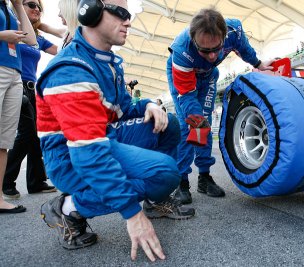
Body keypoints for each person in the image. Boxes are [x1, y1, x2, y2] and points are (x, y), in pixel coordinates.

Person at [37, 0, 194, 261]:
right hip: (72, 157)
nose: (129, 21)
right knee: (166, 172)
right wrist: (132, 214)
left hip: (102, 138)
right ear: (90, 10)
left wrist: (149, 105)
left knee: (170, 123)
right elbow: (89, 155)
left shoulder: (105, 61)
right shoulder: (70, 71)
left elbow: (123, 106)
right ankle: (69, 207)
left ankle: (154, 200)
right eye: (121, 13)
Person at [166, 8, 274, 205]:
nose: (213, 56)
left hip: (207, 78)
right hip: (184, 81)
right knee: (189, 126)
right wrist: (196, 119)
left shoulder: (234, 31)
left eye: (217, 48)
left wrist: (258, 63)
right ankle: (181, 182)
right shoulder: (181, 51)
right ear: (193, 40)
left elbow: (244, 49)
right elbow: (187, 96)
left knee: (204, 127)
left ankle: (204, 178)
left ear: (224, 36)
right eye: (205, 50)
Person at [2, 0, 57, 199]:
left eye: (39, 7)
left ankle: (36, 181)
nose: (36, 9)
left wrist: (42, 25)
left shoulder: (37, 38)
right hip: (15, 82)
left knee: (34, 135)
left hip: (32, 89)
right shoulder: (9, 25)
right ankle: (7, 181)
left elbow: (61, 48)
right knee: (26, 133)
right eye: (31, 4)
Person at [0, 0, 36, 213]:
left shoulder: (11, 10)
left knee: (4, 139)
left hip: (15, 73)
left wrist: (18, 6)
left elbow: (30, 39)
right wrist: (2, 36)